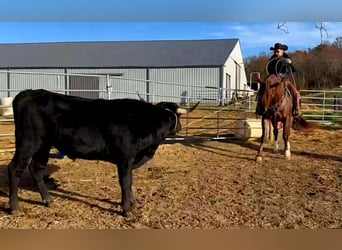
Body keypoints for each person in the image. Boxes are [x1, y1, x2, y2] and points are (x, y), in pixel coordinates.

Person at [255, 43, 301, 117]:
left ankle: (297, 109)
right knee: (262, 90)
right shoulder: (272, 59)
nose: (276, 53)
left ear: (282, 51)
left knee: (295, 93)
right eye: (275, 51)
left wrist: (289, 62)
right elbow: (269, 69)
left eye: (278, 51)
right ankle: (259, 108)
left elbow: (292, 69)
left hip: (283, 79)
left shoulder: (286, 58)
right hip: (272, 78)